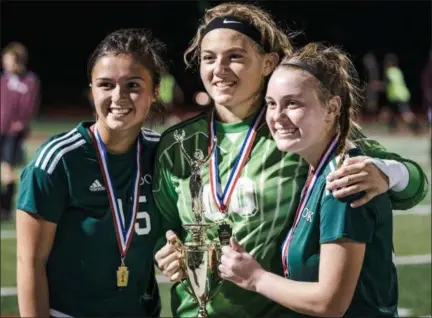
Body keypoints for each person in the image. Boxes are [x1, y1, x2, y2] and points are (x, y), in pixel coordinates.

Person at [153, 3, 428, 317]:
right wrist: (167, 253)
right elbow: (167, 229)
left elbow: (412, 185)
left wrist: (387, 172)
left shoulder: (297, 130)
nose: (219, 69)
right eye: (208, 58)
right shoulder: (176, 143)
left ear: (268, 62)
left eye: (235, 57)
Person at [219, 43, 399, 317]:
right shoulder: (317, 170)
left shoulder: (344, 181)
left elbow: (329, 303)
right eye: (271, 104)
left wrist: (255, 278)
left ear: (332, 108)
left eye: (292, 103)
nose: (277, 116)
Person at [16, 28, 165, 317]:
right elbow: (29, 263)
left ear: (154, 90)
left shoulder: (164, 155)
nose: (118, 96)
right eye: (106, 85)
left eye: (133, 85)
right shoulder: (58, 161)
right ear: (92, 90)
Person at [0, 42, 40, 221]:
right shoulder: (4, 79)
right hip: (1, 128)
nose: (5, 64)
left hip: (13, 132)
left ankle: (6, 207)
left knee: (8, 167)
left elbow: (30, 105)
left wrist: (21, 123)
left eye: (8, 61)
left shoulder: (29, 81)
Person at [384, 53, 421, 134]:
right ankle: (393, 129)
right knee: (392, 113)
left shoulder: (389, 71)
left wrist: (377, 85)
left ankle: (417, 128)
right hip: (400, 95)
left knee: (405, 115)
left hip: (398, 96)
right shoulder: (398, 71)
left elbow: (387, 84)